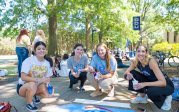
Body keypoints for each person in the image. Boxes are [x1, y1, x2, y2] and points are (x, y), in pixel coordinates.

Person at [123, 45, 174, 111]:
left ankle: (166, 97)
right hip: (151, 82)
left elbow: (163, 82)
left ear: (146, 53)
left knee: (150, 91)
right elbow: (126, 72)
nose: (140, 53)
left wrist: (144, 84)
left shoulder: (151, 62)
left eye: (143, 51)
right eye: (138, 51)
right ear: (136, 52)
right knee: (132, 73)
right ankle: (143, 98)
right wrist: (128, 76)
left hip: (166, 85)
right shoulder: (135, 62)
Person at [16, 41, 53, 111]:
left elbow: (48, 78)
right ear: (35, 50)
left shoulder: (47, 63)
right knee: (32, 85)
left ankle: (33, 95)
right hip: (23, 86)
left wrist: (47, 84)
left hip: (37, 85)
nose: (41, 50)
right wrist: (38, 80)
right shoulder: (28, 60)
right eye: (39, 49)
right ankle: (29, 103)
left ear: (46, 50)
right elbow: (23, 77)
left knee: (49, 94)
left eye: (43, 49)